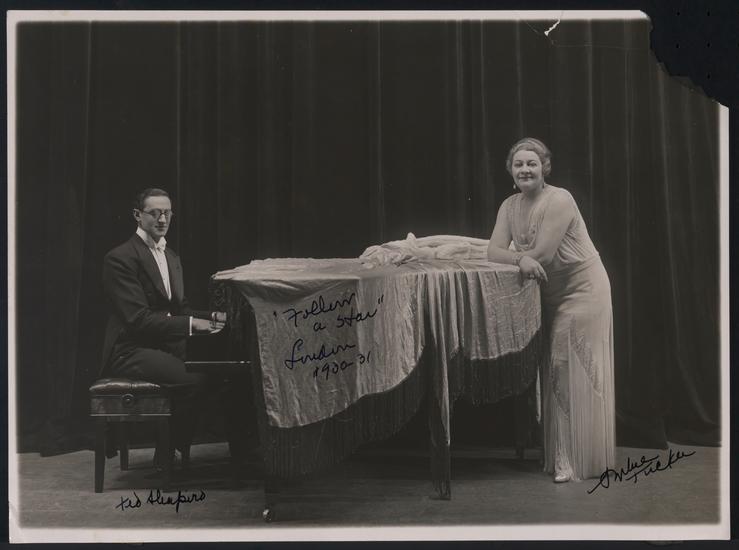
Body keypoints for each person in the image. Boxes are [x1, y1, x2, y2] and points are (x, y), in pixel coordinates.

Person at [487, 138, 615, 482]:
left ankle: (568, 458)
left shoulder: (560, 200)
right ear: (511, 171)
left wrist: (518, 258)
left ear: (544, 168)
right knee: (555, 369)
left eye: (532, 163)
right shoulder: (509, 206)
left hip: (583, 290)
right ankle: (563, 449)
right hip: (550, 295)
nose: (525, 170)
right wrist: (519, 259)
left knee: (564, 366)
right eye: (518, 164)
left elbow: (542, 255)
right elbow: (492, 251)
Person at [101, 188, 226, 465]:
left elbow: (180, 309)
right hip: (130, 350)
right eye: (154, 213)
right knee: (195, 381)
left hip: (163, 344)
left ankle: (172, 449)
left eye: (167, 213)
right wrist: (194, 324)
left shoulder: (171, 256)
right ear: (137, 215)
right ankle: (168, 453)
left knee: (221, 373)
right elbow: (138, 319)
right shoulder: (120, 258)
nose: (162, 219)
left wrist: (215, 316)